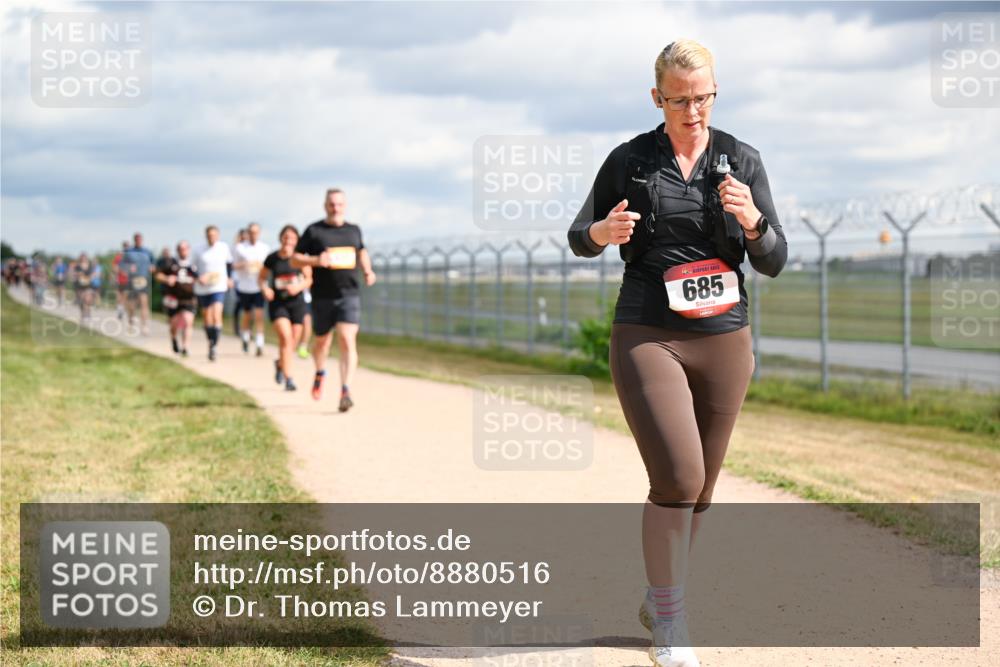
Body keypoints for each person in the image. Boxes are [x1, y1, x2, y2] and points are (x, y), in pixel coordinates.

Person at [567, 40, 787, 667]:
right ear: (657, 97)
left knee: (704, 487)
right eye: (680, 99)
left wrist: (753, 224)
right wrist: (602, 233)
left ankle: (660, 594)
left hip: (724, 335)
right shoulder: (631, 160)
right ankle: (670, 623)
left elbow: (774, 259)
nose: (694, 110)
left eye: (704, 97)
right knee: (679, 478)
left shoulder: (742, 160)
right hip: (648, 331)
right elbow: (580, 236)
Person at [292, 188, 376, 410]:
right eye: (331, 204)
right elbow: (295, 260)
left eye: (339, 204)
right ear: (325, 205)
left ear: (344, 206)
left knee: (347, 339)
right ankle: (320, 371)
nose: (335, 208)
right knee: (322, 342)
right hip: (322, 296)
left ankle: (345, 390)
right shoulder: (314, 231)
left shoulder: (353, 230)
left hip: (349, 294)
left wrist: (367, 270)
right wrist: (317, 261)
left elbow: (361, 251)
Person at [261, 225, 313, 391]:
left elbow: (309, 279)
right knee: (285, 337)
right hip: (278, 303)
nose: (288, 241)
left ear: (297, 240)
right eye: (286, 237)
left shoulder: (299, 258)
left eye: (292, 238)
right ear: (280, 238)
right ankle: (289, 378)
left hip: (296, 303)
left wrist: (298, 287)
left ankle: (280, 363)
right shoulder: (272, 258)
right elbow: (261, 278)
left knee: (293, 342)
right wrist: (265, 289)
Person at [193, 225, 234, 361]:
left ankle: (214, 345)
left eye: (214, 235)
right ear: (206, 236)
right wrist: (199, 277)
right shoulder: (199, 249)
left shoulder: (223, 247)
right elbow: (192, 268)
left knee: (216, 314)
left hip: (219, 285)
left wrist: (229, 278)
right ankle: (210, 341)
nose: (212, 238)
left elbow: (229, 264)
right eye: (209, 235)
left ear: (218, 236)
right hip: (203, 288)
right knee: (207, 318)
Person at [155, 241, 198, 356]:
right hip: (173, 299)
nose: (183, 251)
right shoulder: (171, 263)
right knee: (174, 324)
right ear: (177, 250)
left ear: (188, 249)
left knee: (188, 321)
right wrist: (167, 279)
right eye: (180, 249)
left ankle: (185, 347)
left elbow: (201, 277)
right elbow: (158, 275)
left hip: (189, 299)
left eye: (185, 249)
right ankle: (174, 338)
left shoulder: (194, 264)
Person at [233, 222, 270, 356]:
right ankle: (245, 337)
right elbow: (233, 265)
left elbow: (268, 267)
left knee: (259, 315)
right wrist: (244, 264)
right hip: (244, 286)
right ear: (248, 233)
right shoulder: (240, 248)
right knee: (247, 315)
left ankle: (260, 342)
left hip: (259, 286)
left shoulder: (265, 248)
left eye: (256, 232)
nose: (253, 235)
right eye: (251, 232)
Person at [120, 233, 155, 334]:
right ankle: (131, 323)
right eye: (137, 239)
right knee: (131, 304)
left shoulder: (147, 252)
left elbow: (154, 264)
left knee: (144, 302)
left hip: (143, 280)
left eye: (140, 239)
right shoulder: (129, 252)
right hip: (132, 280)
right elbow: (121, 266)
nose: (138, 241)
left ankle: (145, 326)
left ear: (142, 240)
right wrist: (128, 269)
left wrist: (152, 268)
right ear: (134, 240)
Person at [232, 227, 248, 337]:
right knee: (240, 305)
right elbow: (232, 264)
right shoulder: (236, 248)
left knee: (248, 308)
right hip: (237, 280)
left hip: (248, 280)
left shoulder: (249, 248)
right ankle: (237, 328)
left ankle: (246, 329)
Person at [73, 253, 96, 321]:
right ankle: (82, 314)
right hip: (79, 286)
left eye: (85, 258)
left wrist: (91, 277)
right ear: (80, 259)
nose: (83, 259)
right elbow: (74, 274)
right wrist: (78, 274)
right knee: (81, 301)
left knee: (88, 300)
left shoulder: (90, 266)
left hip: (88, 285)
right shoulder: (77, 266)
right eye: (82, 258)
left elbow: (93, 274)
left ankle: (88, 314)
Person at [112, 241, 130, 320]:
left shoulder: (131, 257)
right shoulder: (119, 256)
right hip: (120, 278)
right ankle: (120, 309)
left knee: (125, 295)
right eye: (126, 246)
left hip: (128, 279)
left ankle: (121, 309)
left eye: (128, 246)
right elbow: (114, 267)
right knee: (119, 295)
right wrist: (121, 272)